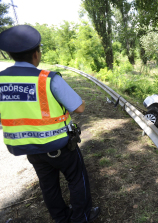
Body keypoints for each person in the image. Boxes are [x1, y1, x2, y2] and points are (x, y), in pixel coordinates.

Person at [0, 25, 100, 223]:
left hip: (29, 147)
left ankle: (61, 218)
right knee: (76, 179)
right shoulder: (47, 79)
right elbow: (79, 108)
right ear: (36, 53)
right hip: (60, 145)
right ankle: (81, 218)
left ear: (11, 55)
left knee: (48, 185)